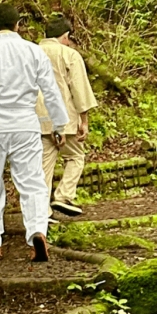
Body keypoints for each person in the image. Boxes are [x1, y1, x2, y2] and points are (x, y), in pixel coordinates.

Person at [0, 3, 70, 261]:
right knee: (32, 181)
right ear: (18, 24)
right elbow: (50, 90)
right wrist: (59, 125)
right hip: (25, 123)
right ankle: (38, 231)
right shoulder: (33, 51)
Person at [36, 15, 99, 218]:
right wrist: (84, 120)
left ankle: (42, 211)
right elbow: (79, 88)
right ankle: (63, 195)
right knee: (75, 156)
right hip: (65, 118)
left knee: (45, 164)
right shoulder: (69, 54)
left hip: (37, 118)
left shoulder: (31, 52)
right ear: (66, 35)